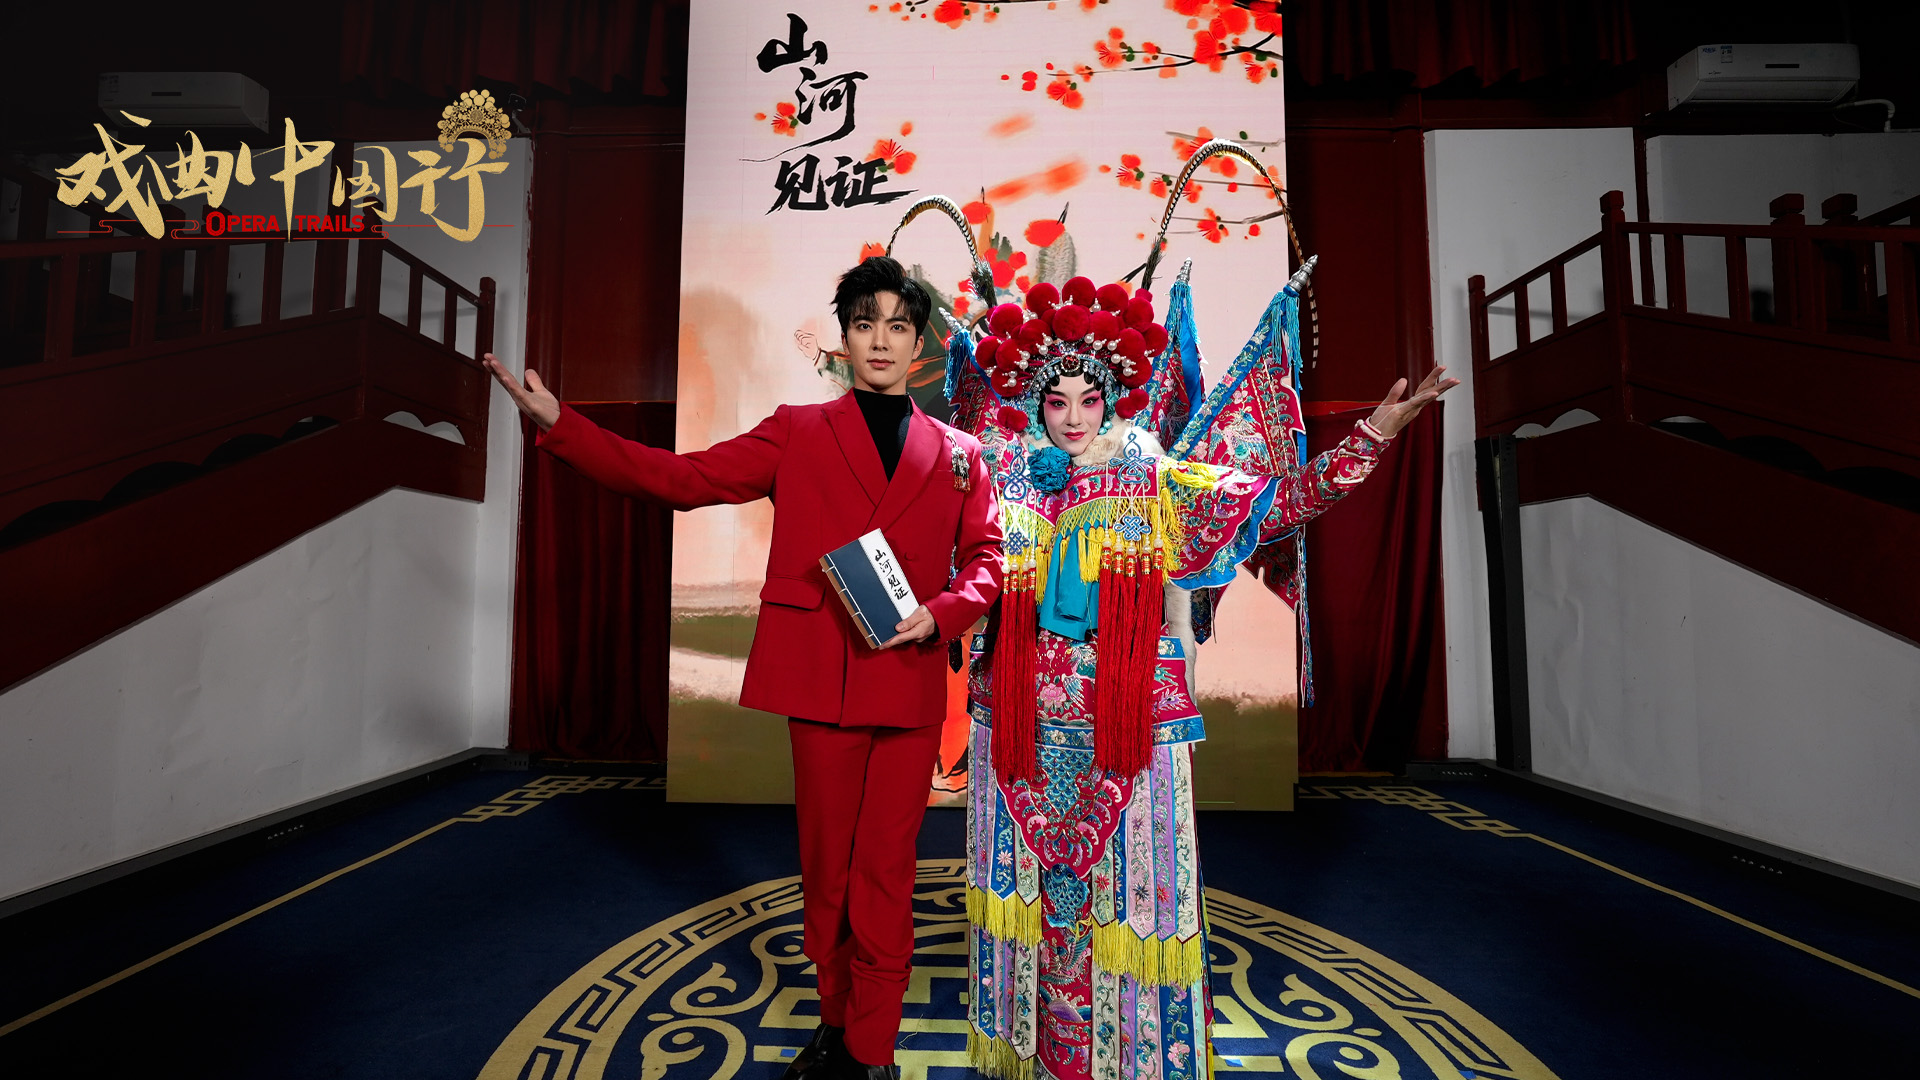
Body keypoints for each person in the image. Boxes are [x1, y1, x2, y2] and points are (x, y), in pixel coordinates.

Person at [483, 256, 1005, 1080]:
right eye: (864, 322)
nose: (880, 339)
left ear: (921, 345)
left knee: (885, 880)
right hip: (822, 681)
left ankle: (871, 1054)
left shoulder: (963, 452)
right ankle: (836, 1029)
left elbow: (986, 561)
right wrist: (563, 424)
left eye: (898, 325)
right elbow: (682, 480)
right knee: (826, 876)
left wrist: (940, 613)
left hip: (906, 687)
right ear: (843, 338)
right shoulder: (797, 428)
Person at [953, 271, 1455, 1080]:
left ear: (1113, 401)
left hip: (1129, 731)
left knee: (1131, 910)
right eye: (1058, 402)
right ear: (1037, 405)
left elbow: (1278, 503)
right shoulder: (1003, 483)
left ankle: (1126, 1062)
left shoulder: (1154, 479)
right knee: (1038, 919)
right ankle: (1039, 1061)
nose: (1074, 418)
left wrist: (1373, 435)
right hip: (1015, 729)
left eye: (1090, 400)